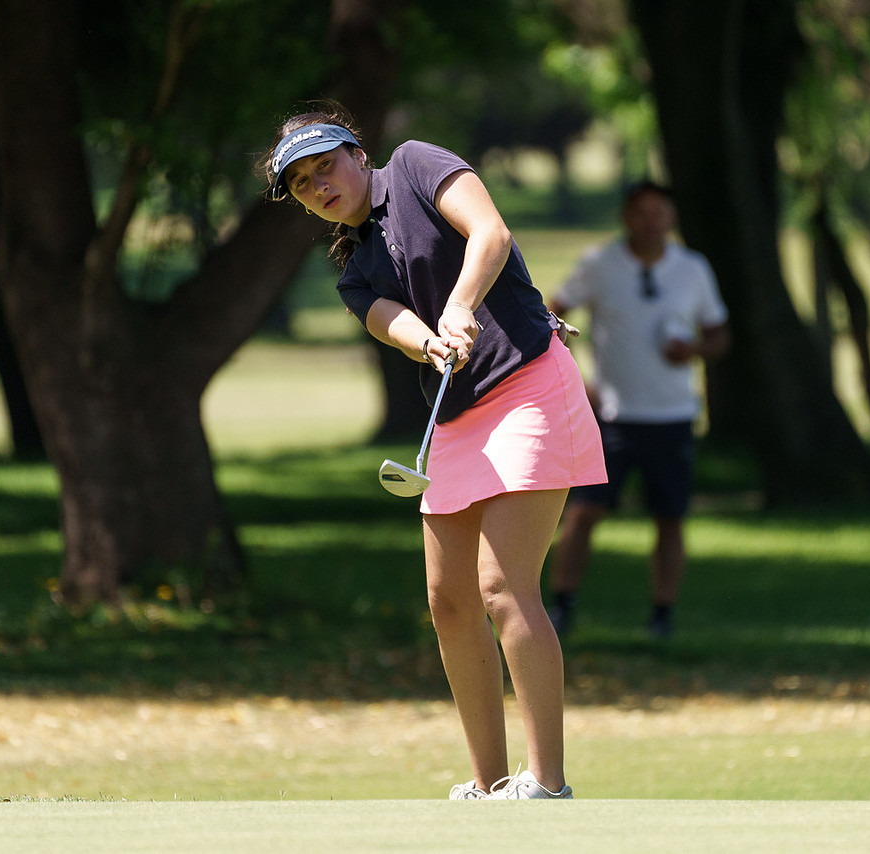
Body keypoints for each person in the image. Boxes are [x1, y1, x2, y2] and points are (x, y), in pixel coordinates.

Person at [263, 103, 606, 800]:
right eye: (302, 183)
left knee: (502, 586)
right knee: (448, 600)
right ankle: (489, 782)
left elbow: (491, 233)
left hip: (528, 384)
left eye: (326, 166)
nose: (319, 185)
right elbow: (396, 325)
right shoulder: (354, 272)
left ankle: (548, 783)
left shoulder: (417, 164)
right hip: (456, 415)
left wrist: (460, 304)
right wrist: (430, 341)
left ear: (358, 155)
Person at [547, 181, 729, 640]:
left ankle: (662, 615)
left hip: (673, 415)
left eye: (659, 212)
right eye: (642, 212)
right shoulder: (600, 264)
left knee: (670, 517)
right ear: (626, 217)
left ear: (672, 217)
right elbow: (551, 315)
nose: (651, 222)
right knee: (584, 513)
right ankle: (562, 606)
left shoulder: (692, 268)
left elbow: (719, 334)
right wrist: (577, 380)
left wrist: (693, 350)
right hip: (612, 416)